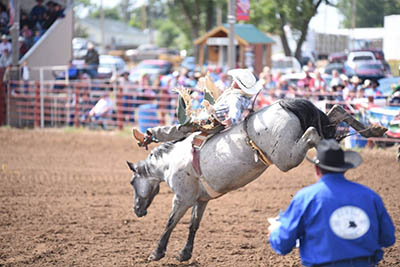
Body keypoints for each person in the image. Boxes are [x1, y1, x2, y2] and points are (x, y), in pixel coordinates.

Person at [268, 139, 395, 267]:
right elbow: (388, 238)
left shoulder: (306, 198)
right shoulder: (370, 196)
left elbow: (283, 244)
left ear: (317, 169)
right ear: (344, 168)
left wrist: (275, 231)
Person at [132, 68, 261, 147]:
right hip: (214, 119)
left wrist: (231, 119)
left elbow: (234, 110)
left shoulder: (235, 97)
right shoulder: (240, 96)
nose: (232, 81)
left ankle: (149, 136)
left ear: (237, 84)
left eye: (235, 80)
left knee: (183, 128)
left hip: (212, 122)